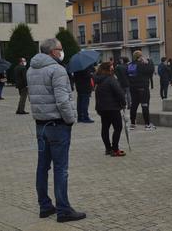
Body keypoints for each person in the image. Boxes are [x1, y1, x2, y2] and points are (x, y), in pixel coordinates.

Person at [27, 38, 86, 223]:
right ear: (53, 51)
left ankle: (44, 205)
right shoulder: (57, 70)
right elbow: (62, 100)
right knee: (61, 169)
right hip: (57, 124)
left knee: (42, 167)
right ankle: (63, 209)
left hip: (40, 124)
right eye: (60, 49)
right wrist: (70, 119)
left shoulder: (32, 68)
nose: (62, 52)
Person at [95, 62, 126, 157]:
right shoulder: (111, 79)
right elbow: (119, 93)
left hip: (102, 108)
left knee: (105, 128)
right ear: (108, 69)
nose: (113, 68)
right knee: (118, 127)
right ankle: (115, 149)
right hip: (113, 108)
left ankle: (108, 148)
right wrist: (123, 103)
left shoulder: (99, 80)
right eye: (111, 67)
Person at [127, 50, 156, 131]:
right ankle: (147, 124)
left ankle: (132, 124)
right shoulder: (142, 64)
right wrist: (149, 61)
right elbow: (151, 70)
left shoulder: (130, 65)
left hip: (133, 88)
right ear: (140, 57)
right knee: (145, 105)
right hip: (143, 88)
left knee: (134, 105)